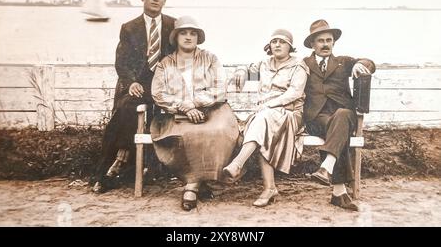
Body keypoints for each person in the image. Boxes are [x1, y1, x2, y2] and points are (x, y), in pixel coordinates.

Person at [92, 0, 176, 193]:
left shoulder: (173, 26)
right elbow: (122, 62)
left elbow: (184, 56)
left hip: (164, 86)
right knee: (125, 109)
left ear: (165, 1)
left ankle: (130, 161)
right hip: (138, 85)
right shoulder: (129, 28)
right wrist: (130, 83)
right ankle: (106, 171)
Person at [150, 16, 240, 211]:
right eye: (184, 33)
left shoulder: (210, 58)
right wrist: (183, 106)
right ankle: (199, 182)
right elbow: (158, 93)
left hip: (212, 110)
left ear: (198, 37)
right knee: (189, 134)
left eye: (193, 33)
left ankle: (193, 186)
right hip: (178, 114)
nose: (189, 37)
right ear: (176, 37)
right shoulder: (165, 63)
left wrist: (195, 103)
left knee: (217, 131)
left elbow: (220, 87)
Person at [223, 29, 309, 207]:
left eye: (282, 42)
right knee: (263, 127)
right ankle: (269, 188)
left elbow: (295, 93)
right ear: (269, 46)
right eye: (274, 41)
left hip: (290, 113)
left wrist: (270, 104)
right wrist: (241, 70)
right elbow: (248, 69)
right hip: (266, 115)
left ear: (290, 47)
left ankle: (238, 163)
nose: (277, 44)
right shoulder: (264, 64)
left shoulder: (298, 65)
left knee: (262, 120)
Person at [303, 19, 375, 211]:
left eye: (329, 40)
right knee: (339, 131)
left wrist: (361, 64)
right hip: (317, 117)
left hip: (344, 113)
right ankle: (337, 191)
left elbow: (370, 63)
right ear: (312, 44)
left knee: (342, 116)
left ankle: (327, 168)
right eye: (320, 41)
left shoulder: (344, 62)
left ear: (334, 42)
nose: (325, 44)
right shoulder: (303, 64)